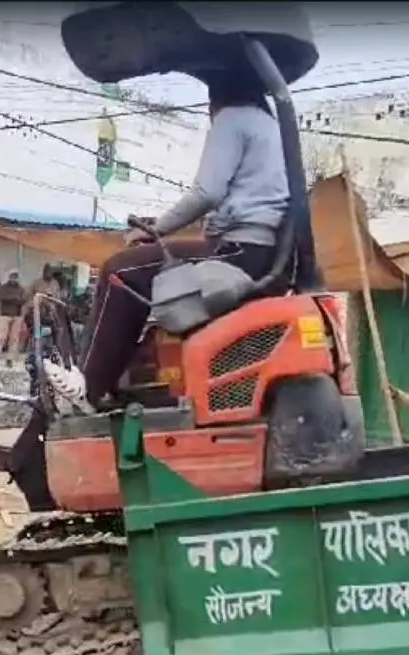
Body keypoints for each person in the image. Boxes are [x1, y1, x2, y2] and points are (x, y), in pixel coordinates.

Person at [49, 79, 288, 408]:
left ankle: (89, 388)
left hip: (235, 250)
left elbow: (207, 192)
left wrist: (155, 230)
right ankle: (114, 381)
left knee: (121, 270)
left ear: (217, 96)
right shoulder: (271, 127)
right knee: (148, 275)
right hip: (258, 251)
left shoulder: (233, 118)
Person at [0, 269, 26, 359]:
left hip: (17, 315)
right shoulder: (4, 287)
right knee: (2, 336)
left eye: (16, 276)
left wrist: (16, 300)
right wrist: (15, 298)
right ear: (9, 277)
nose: (14, 278)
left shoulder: (20, 288)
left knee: (14, 338)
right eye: (12, 276)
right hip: (5, 315)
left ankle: (11, 357)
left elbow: (23, 300)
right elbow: (2, 298)